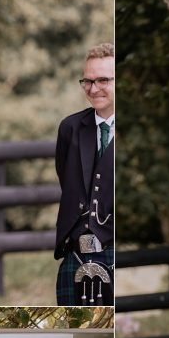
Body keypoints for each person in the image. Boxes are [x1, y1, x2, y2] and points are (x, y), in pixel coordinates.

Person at [54, 43, 115, 306]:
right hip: (76, 254)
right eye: (87, 81)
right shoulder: (71, 127)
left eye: (103, 80)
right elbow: (66, 180)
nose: (93, 88)